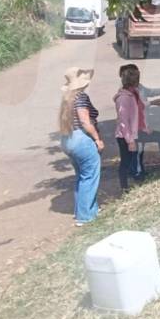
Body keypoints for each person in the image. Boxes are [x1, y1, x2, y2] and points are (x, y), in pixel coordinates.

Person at [58, 67, 103, 226]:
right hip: (81, 139)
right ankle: (85, 216)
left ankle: (86, 210)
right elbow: (85, 121)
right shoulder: (81, 97)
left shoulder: (67, 99)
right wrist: (97, 138)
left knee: (82, 176)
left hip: (67, 138)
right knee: (90, 176)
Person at [119, 64, 160, 173]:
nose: (138, 76)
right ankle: (138, 173)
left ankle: (138, 171)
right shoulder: (127, 92)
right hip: (136, 129)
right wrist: (152, 103)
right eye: (135, 74)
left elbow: (150, 92)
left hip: (142, 126)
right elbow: (135, 107)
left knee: (140, 150)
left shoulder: (139, 87)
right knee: (139, 150)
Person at [114, 64, 148, 192]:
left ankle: (134, 178)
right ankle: (124, 187)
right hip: (124, 136)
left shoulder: (133, 93)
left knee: (132, 158)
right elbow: (124, 122)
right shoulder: (123, 98)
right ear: (133, 82)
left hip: (132, 134)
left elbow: (139, 111)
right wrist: (130, 141)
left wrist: (143, 127)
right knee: (125, 162)